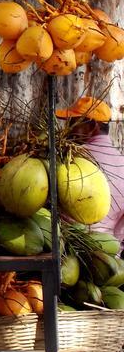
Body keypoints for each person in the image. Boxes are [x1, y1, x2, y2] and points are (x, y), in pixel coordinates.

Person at [57, 96, 124, 244]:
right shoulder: (122, 162)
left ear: (93, 126)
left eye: (73, 123)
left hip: (70, 250)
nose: (68, 129)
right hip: (110, 255)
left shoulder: (71, 157)